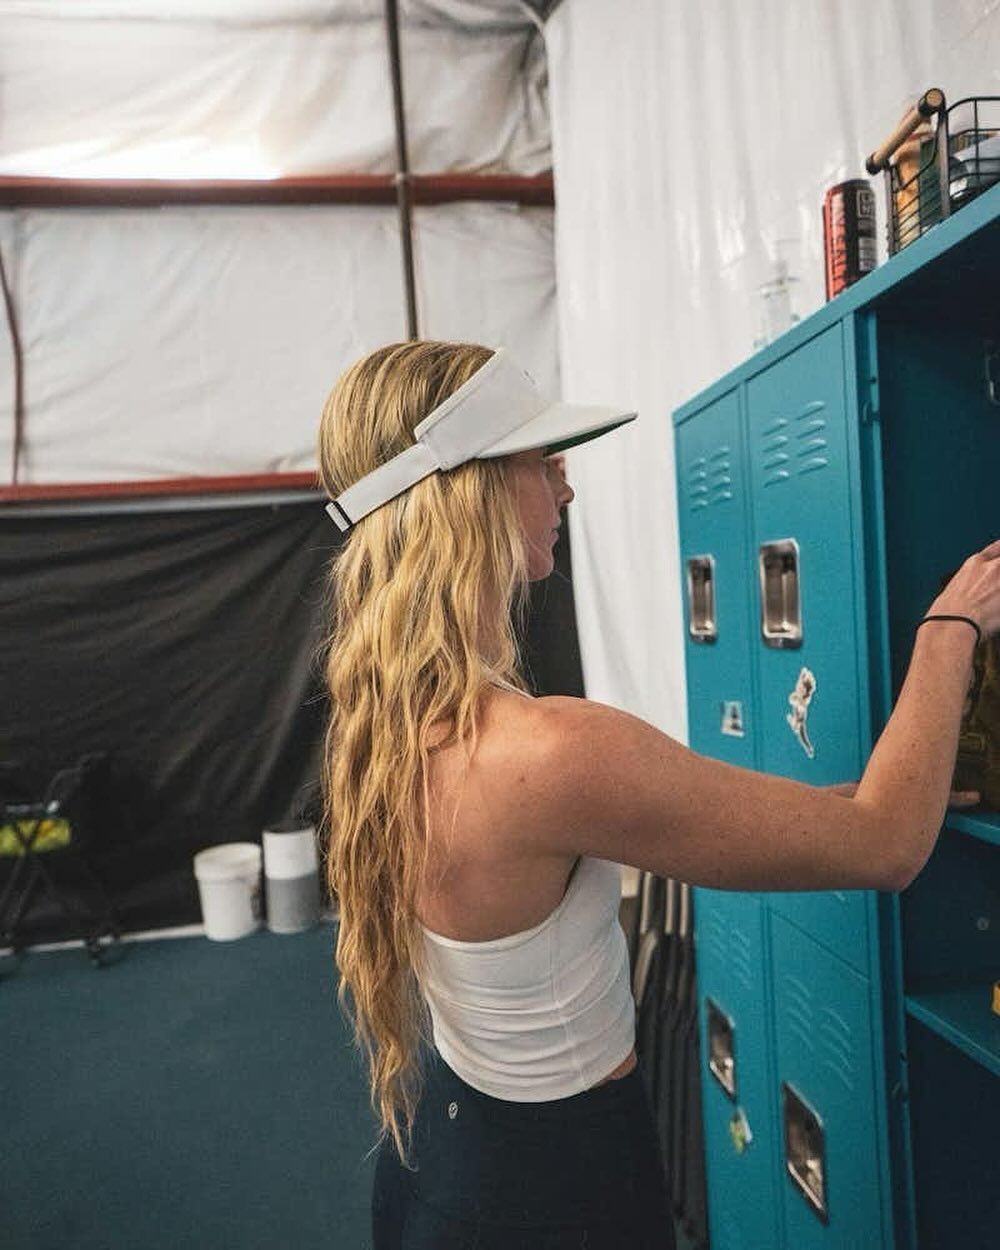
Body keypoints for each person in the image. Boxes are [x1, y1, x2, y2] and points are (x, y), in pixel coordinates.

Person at [316, 340, 1000, 1250]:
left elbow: (712, 821)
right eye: (543, 463)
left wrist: (822, 806)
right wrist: (952, 626)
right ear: (470, 491)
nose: (565, 489)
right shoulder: (548, 750)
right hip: (555, 1192)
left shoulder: (398, 718)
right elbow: (886, 845)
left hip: (447, 1153)